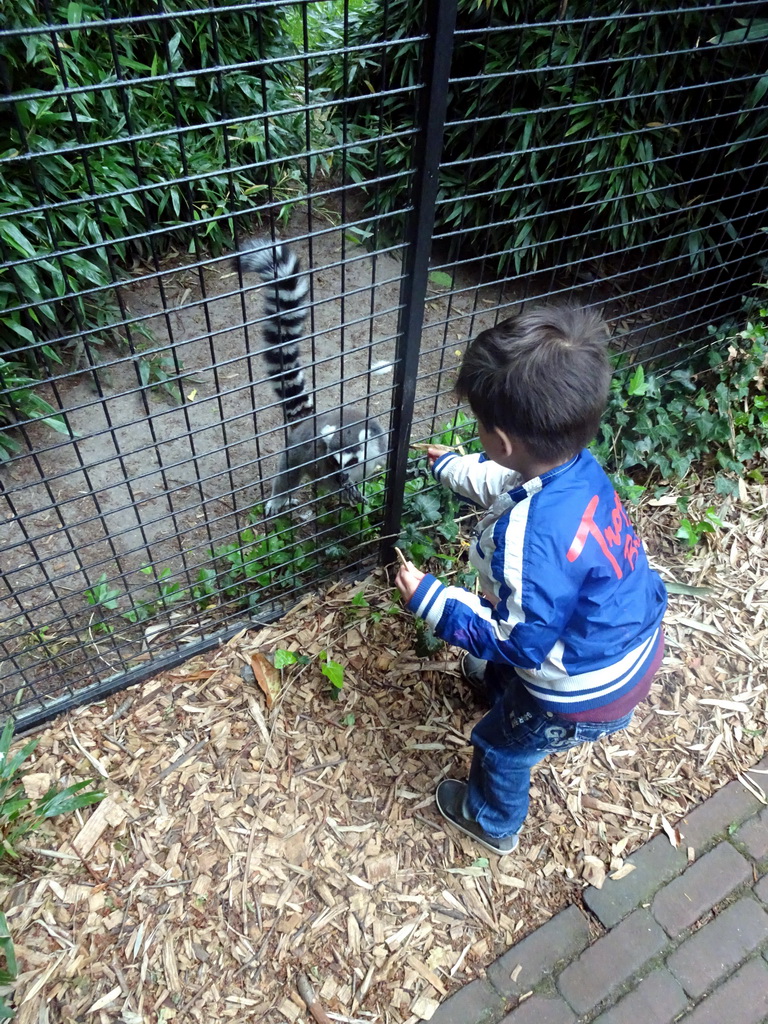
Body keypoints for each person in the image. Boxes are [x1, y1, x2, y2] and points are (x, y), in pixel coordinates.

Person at [395, 306, 667, 855]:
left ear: (500, 437)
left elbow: (517, 639)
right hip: (621, 640)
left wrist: (431, 599)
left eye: (478, 428)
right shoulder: (576, 467)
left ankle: (493, 822)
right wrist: (453, 467)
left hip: (580, 688)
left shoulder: (532, 542)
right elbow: (510, 479)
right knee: (518, 660)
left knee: (500, 747)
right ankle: (500, 687)